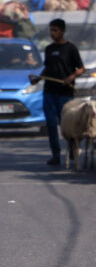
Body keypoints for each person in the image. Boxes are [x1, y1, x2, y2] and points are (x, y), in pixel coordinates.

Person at [30, 19, 85, 166]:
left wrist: (71, 77)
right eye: (51, 30)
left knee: (66, 125)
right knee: (51, 124)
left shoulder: (71, 48)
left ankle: (72, 150)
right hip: (49, 92)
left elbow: (81, 68)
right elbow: (47, 68)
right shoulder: (48, 49)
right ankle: (55, 155)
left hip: (65, 93)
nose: (52, 33)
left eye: (55, 30)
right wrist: (37, 79)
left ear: (62, 31)